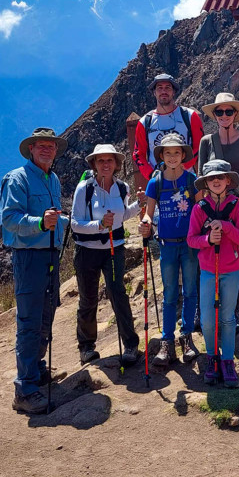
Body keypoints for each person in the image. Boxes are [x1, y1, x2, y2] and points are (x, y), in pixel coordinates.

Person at [0, 127, 70, 415]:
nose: (46, 150)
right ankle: (25, 389)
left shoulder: (52, 179)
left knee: (47, 312)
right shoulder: (16, 178)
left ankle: (37, 368)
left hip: (49, 254)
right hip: (28, 256)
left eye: (50, 147)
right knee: (29, 320)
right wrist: (41, 222)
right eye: (40, 146)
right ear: (31, 149)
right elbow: (10, 219)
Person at [71, 144, 142, 366]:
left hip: (114, 247)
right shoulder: (85, 189)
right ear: (94, 164)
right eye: (100, 161)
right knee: (88, 298)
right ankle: (86, 347)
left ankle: (130, 344)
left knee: (117, 292)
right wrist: (99, 225)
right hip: (87, 251)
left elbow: (123, 215)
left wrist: (140, 205)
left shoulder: (121, 188)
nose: (105, 165)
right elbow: (75, 224)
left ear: (116, 164)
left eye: (109, 160)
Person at [198, 92, 239, 331]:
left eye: (228, 111)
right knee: (211, 258)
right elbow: (202, 179)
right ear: (215, 115)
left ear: (235, 114)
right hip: (212, 209)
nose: (224, 115)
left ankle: (233, 313)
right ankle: (213, 311)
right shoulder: (206, 142)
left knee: (237, 260)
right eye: (219, 112)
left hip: (238, 207)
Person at [187, 160, 239, 388]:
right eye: (212, 178)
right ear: (206, 182)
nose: (216, 181)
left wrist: (226, 227)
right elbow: (191, 240)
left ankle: (227, 360)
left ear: (227, 181)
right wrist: (207, 240)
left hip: (231, 270)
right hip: (207, 271)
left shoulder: (237, 207)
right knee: (206, 319)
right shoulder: (199, 209)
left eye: (221, 177)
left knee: (227, 318)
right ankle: (212, 357)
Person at [139, 132, 200, 366]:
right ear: (161, 156)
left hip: (190, 243)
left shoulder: (191, 179)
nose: (173, 156)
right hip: (167, 245)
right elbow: (149, 212)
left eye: (176, 152)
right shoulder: (156, 183)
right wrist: (145, 222)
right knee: (170, 293)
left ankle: (185, 337)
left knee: (190, 291)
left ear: (183, 154)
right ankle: (167, 341)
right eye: (168, 153)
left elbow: (200, 207)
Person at [133, 73, 204, 182]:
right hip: (159, 183)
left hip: (187, 180)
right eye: (159, 88)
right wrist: (151, 174)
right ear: (154, 92)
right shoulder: (144, 123)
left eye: (168, 88)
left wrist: (184, 166)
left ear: (174, 91)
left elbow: (200, 146)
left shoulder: (190, 116)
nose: (163, 91)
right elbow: (138, 154)